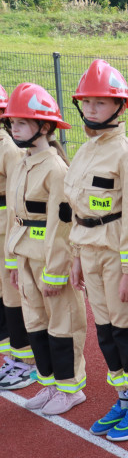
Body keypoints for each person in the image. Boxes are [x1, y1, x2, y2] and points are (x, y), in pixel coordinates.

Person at [64, 59, 128, 441]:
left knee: (127, 332)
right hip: (88, 249)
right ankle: (122, 396)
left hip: (117, 253)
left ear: (120, 107)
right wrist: (74, 255)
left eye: (100, 103)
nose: (91, 110)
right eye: (86, 103)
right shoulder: (86, 150)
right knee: (105, 333)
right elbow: (77, 207)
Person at [2, 83, 89, 415]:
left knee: (62, 323)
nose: (14, 128)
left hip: (48, 258)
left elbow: (61, 226)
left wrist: (55, 271)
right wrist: (12, 259)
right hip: (25, 253)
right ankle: (50, 382)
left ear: (45, 127)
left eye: (21, 123)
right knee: (35, 321)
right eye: (12, 123)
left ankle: (70, 387)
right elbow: (14, 214)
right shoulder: (23, 162)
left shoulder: (55, 169)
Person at [0, 82, 37, 391]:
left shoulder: (8, 150)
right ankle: (9, 356)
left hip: (6, 230)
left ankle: (23, 361)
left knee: (13, 297)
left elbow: (15, 200)